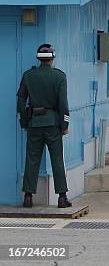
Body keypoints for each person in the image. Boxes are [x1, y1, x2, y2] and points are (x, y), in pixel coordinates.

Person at [17, 44, 72, 208]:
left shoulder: (28, 76)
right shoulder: (59, 76)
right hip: (53, 124)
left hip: (34, 123)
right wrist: (64, 124)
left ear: (38, 58)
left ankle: (28, 196)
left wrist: (24, 122)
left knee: (32, 159)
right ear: (52, 58)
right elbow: (63, 104)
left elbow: (20, 101)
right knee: (57, 160)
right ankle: (62, 197)